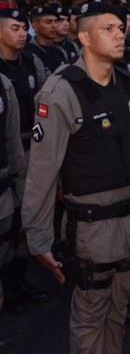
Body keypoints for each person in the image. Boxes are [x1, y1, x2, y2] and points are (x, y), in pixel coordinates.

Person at [21, 2, 130, 353]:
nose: (120, 34)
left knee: (118, 312)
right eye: (108, 29)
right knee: (90, 316)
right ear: (84, 37)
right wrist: (39, 237)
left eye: (120, 28)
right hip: (91, 226)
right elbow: (42, 172)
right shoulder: (61, 92)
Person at [0, 8, 49, 315]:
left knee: (22, 222)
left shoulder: (31, 62)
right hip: (10, 154)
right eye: (15, 28)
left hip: (29, 150)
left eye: (23, 28)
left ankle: (19, 281)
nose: (23, 33)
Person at [0, 69, 26, 316]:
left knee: (7, 247)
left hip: (3, 189)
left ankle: (11, 288)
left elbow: (12, 140)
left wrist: (19, 191)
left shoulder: (3, 84)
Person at [24, 6, 68, 75]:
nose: (54, 26)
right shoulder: (27, 53)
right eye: (48, 22)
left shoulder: (60, 51)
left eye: (56, 21)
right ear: (35, 26)